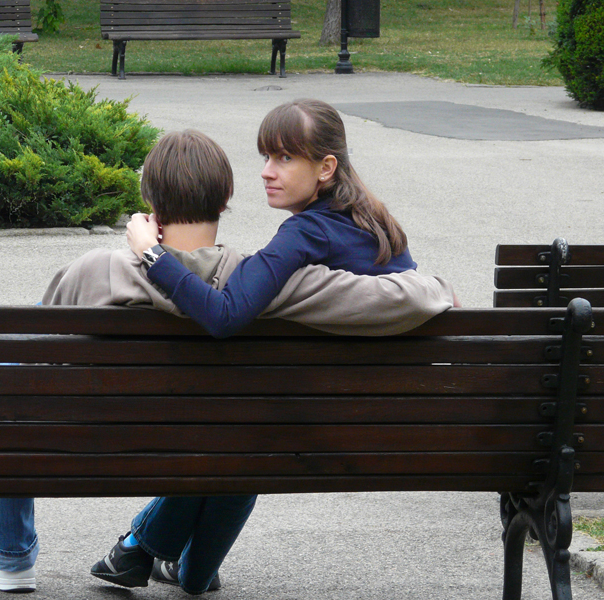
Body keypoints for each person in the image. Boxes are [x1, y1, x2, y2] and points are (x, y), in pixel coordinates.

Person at [0, 128, 457, 594]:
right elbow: (402, 296)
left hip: (96, 442)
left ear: (149, 201)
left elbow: (26, 362)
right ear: (226, 199)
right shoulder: (270, 283)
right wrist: (434, 287)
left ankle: (11, 559)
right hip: (221, 442)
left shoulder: (97, 271)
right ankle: (179, 559)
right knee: (239, 428)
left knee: (6, 383)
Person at [102, 99, 436, 594]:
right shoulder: (379, 228)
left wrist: (151, 253)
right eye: (266, 157)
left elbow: (223, 315)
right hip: (383, 425)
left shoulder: (304, 234)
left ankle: (139, 545)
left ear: (326, 168)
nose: (266, 171)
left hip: (306, 430)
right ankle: (183, 567)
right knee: (245, 435)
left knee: (235, 433)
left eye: (284, 158)